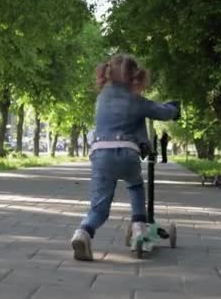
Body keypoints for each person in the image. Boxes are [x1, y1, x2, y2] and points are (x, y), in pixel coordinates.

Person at [70, 54, 180, 261]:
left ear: (108, 74)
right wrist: (174, 108)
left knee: (99, 207)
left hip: (101, 154)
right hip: (127, 154)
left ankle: (83, 233)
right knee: (135, 186)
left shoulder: (101, 98)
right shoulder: (136, 101)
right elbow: (161, 112)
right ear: (134, 78)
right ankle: (139, 227)